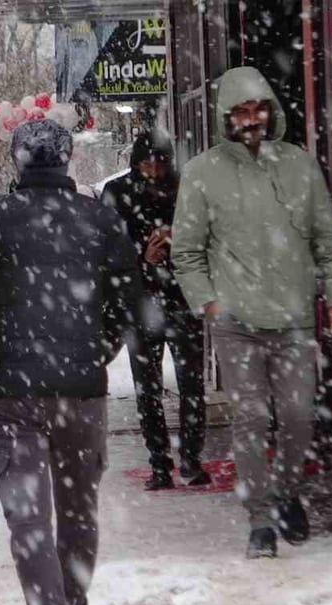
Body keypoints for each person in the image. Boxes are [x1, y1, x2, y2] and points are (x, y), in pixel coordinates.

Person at [0, 118, 143, 605]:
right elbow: (129, 300)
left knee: (28, 515)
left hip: (10, 390)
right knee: (79, 508)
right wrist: (98, 351)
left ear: (17, 159)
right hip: (81, 389)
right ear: (68, 157)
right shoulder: (100, 220)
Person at [171, 66, 332, 559]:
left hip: (294, 318)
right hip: (236, 322)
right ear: (225, 117)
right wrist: (208, 302)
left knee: (298, 416)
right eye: (241, 112)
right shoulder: (202, 173)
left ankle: (287, 491)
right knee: (250, 419)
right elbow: (186, 252)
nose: (251, 120)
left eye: (258, 110)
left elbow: (329, 243)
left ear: (270, 112)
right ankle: (260, 521)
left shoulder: (300, 166)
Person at [102, 128, 210, 489]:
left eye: (159, 162)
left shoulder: (185, 190)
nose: (152, 170)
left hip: (182, 297)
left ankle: (191, 458)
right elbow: (109, 251)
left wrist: (176, 241)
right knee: (147, 389)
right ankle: (159, 463)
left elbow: (204, 237)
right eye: (146, 163)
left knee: (191, 384)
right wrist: (141, 256)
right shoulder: (117, 192)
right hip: (141, 301)